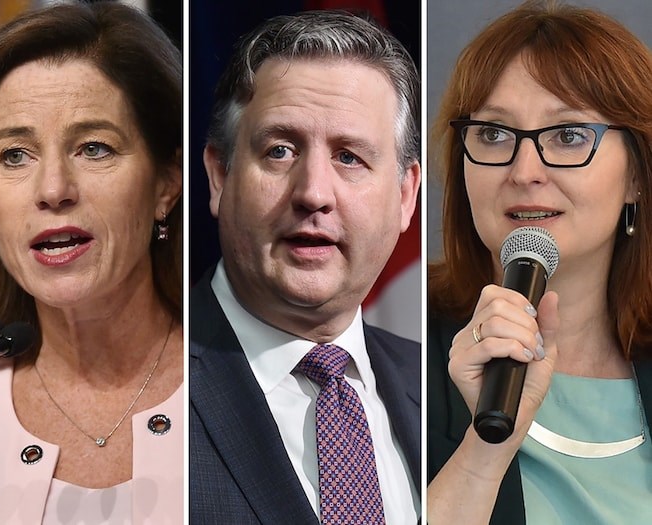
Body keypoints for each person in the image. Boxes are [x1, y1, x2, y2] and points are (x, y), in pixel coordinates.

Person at [0, 2, 183, 523]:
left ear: (166, 183)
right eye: (15, 155)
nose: (53, 189)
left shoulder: (250, 384)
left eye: (94, 148)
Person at [190, 10, 421, 524]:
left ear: (406, 196)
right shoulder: (142, 380)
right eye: (279, 151)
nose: (313, 192)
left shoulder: (443, 389)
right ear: (220, 176)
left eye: (349, 158)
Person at [427, 1, 652, 523]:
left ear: (638, 176)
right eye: (493, 134)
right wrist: (483, 455)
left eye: (568, 135)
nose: (524, 170)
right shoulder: (402, 356)